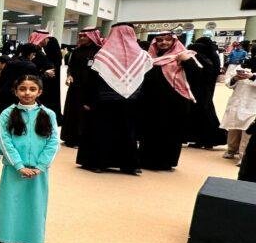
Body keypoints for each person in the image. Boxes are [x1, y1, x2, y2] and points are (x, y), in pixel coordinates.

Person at [0, 75, 59, 243]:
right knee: (10, 202)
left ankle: (29, 240)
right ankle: (7, 236)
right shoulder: (7, 113)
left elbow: (53, 142)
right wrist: (18, 165)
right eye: (22, 89)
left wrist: (40, 166)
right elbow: (4, 141)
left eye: (32, 89)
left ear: (40, 92)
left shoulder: (48, 114)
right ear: (15, 91)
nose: (27, 93)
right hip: (14, 169)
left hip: (38, 171)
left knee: (34, 204)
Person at [76, 23, 145, 175]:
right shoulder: (141, 55)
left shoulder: (103, 54)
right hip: (127, 101)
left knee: (103, 131)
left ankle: (98, 163)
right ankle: (128, 165)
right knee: (126, 132)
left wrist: (87, 101)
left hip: (105, 101)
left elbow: (91, 81)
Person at [138, 31, 200, 171]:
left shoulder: (183, 56)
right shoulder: (150, 58)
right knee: (150, 131)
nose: (163, 42)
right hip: (152, 102)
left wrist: (187, 61)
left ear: (174, 41)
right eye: (160, 40)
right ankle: (146, 160)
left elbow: (198, 75)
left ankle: (165, 162)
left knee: (170, 132)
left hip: (175, 102)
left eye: (167, 39)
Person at [61, 28, 103, 148]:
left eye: (85, 36)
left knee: (84, 114)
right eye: (80, 36)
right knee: (72, 111)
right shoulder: (77, 51)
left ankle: (81, 140)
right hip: (75, 87)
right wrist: (69, 75)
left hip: (91, 88)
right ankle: (70, 138)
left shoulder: (99, 52)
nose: (82, 38)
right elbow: (71, 67)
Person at [184, 36, 227, 149]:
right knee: (206, 113)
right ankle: (206, 140)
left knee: (199, 114)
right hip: (207, 89)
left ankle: (203, 139)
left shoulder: (198, 56)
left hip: (197, 90)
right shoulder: (212, 55)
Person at [220, 67, 256, 161]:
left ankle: (243, 156)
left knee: (248, 131)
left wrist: (252, 77)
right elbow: (228, 83)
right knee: (233, 128)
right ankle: (231, 150)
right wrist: (235, 78)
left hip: (252, 104)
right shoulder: (241, 65)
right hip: (237, 102)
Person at [29, 30, 63, 124]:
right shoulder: (36, 50)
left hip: (49, 78)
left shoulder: (51, 43)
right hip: (40, 79)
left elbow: (56, 61)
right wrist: (44, 72)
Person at [0, 44, 41, 114]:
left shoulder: (10, 62)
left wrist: (0, 92)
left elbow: (2, 80)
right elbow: (35, 82)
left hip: (5, 96)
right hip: (20, 97)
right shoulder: (31, 66)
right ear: (30, 54)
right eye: (33, 54)